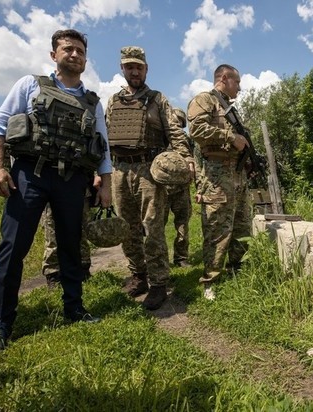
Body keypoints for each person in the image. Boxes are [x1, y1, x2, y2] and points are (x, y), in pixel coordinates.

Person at [0, 29, 112, 354]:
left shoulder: (93, 102)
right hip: (30, 174)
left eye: (80, 50)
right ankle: (0, 326)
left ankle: (75, 308)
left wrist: (105, 183)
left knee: (71, 248)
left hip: (72, 180)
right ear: (54, 55)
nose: (74, 54)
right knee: (12, 249)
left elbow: (103, 148)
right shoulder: (30, 85)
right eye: (67, 49)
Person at [106, 46, 193, 310]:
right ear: (123, 69)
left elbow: (175, 133)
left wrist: (187, 160)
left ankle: (158, 283)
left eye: (139, 67)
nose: (134, 71)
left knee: (153, 227)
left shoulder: (158, 100)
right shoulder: (113, 101)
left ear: (146, 69)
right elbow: (105, 137)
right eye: (129, 66)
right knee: (127, 228)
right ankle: (138, 275)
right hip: (120, 170)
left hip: (148, 171)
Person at [187, 64, 252, 300]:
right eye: (237, 82)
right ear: (224, 78)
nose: (240, 87)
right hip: (215, 175)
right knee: (216, 227)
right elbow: (196, 129)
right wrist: (230, 137)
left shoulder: (229, 108)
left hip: (237, 174)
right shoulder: (204, 100)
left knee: (242, 225)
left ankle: (238, 270)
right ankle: (210, 280)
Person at [41, 173, 100, 287]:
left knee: (81, 231)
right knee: (52, 233)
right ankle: (53, 274)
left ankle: (83, 270)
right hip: (50, 183)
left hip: (79, 182)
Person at [163, 108, 192, 268]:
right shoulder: (159, 139)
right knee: (157, 225)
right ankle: (159, 259)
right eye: (175, 122)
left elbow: (192, 162)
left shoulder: (186, 141)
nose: (177, 125)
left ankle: (181, 258)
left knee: (182, 225)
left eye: (180, 123)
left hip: (181, 189)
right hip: (162, 189)